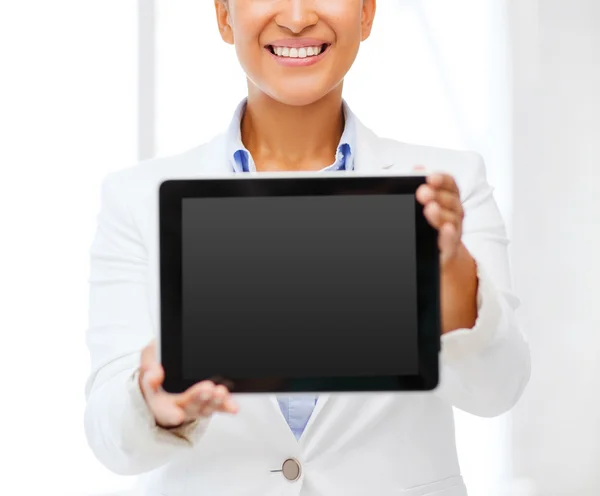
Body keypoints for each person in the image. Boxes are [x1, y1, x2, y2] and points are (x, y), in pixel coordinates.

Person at [84, 0, 530, 494]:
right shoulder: (136, 198)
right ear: (224, 16)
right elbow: (110, 437)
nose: (297, 17)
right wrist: (152, 406)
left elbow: (496, 391)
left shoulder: (449, 187)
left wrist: (453, 276)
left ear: (366, 13)